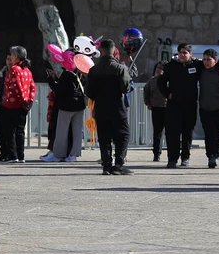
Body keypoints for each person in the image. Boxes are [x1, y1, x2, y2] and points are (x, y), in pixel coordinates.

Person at [157, 43, 219, 168]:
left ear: (191, 54)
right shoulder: (170, 66)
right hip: (174, 106)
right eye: (180, 52)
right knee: (172, 132)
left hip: (190, 105)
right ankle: (172, 159)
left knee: (187, 132)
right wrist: (168, 94)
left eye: (185, 52)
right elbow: (160, 82)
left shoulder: (197, 64)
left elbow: (212, 60)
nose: (182, 55)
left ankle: (185, 157)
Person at [87, 39, 133, 175]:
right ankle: (119, 164)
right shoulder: (120, 68)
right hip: (118, 108)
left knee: (104, 137)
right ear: (113, 51)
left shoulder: (93, 70)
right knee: (123, 135)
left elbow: (89, 92)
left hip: (101, 108)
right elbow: (125, 89)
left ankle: (106, 165)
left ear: (101, 51)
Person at [0, 46, 35, 163]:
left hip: (13, 105)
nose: (10, 57)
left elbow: (17, 87)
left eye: (12, 55)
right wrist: (29, 101)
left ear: (16, 56)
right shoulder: (27, 70)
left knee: (10, 131)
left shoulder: (15, 69)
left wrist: (23, 102)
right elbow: (33, 87)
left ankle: (13, 156)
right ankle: (21, 156)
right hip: (23, 106)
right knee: (20, 132)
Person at [42, 63, 86, 162]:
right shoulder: (81, 72)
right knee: (77, 132)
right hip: (79, 105)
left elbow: (58, 89)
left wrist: (50, 79)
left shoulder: (66, 74)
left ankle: (58, 155)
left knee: (61, 131)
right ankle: (73, 155)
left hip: (66, 106)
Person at [143, 62, 167, 162]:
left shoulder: (168, 80)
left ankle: (172, 155)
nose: (159, 70)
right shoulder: (152, 81)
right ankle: (157, 153)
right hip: (156, 108)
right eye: (158, 67)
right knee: (157, 132)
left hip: (168, 108)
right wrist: (148, 103)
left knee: (170, 132)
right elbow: (146, 92)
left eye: (161, 68)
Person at [0, 56, 12, 162]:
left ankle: (11, 153)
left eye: (11, 59)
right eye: (7, 59)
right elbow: (1, 86)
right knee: (0, 130)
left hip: (12, 104)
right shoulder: (3, 71)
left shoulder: (17, 71)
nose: (9, 61)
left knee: (10, 131)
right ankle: (3, 151)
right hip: (2, 103)